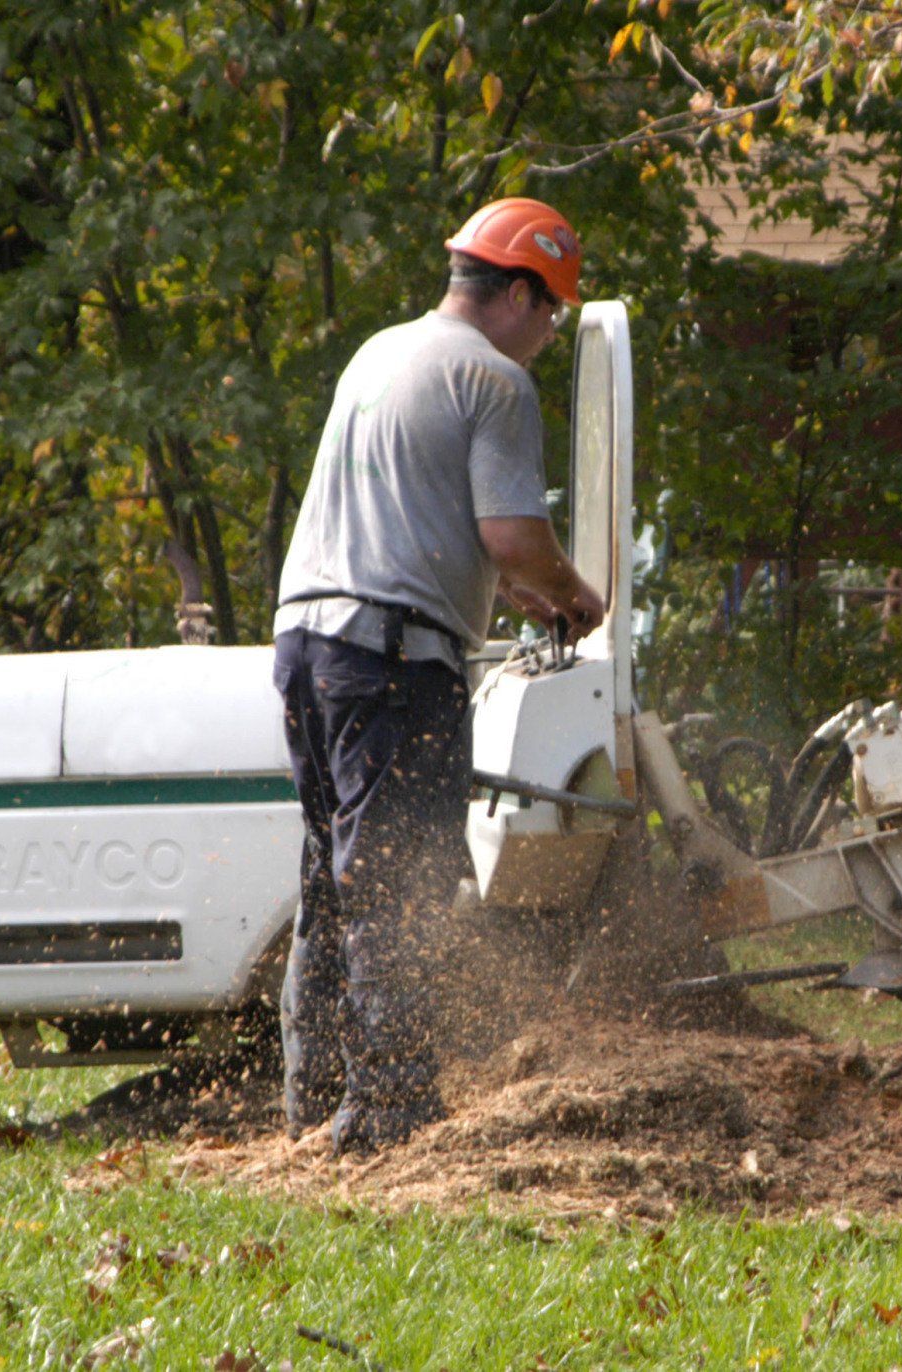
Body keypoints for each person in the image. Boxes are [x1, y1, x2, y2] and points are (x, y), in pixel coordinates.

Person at [271, 198, 607, 1154]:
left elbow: (413, 524)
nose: (550, 332)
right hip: (390, 659)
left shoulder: (381, 354)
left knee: (332, 874)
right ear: (519, 293)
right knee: (399, 881)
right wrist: (574, 595)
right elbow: (513, 537)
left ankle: (313, 1105)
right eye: (552, 311)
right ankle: (388, 1115)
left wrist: (515, 592)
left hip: (308, 645)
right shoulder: (493, 379)